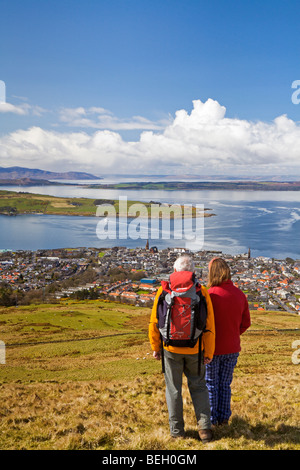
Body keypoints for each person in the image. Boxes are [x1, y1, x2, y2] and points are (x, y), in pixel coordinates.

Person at [149, 255, 215, 442]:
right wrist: (208, 352)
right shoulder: (201, 292)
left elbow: (154, 322)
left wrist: (156, 347)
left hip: (170, 349)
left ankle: (177, 432)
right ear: (193, 272)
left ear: (175, 270)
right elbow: (210, 326)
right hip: (195, 348)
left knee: (173, 389)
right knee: (199, 387)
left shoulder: (164, 291)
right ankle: (204, 430)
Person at [205, 257, 251, 427]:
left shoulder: (209, 295)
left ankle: (211, 421)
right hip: (232, 348)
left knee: (211, 385)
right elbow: (246, 323)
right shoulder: (239, 294)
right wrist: (233, 333)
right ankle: (223, 419)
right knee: (225, 385)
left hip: (212, 349)